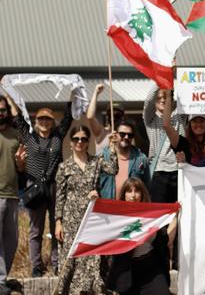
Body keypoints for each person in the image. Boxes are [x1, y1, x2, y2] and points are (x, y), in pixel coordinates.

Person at [6, 94, 74, 277]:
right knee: (36, 229)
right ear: (36, 121)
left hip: (55, 186)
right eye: (41, 118)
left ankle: (57, 263)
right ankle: (36, 266)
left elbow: (69, 117)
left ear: (52, 122)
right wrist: (8, 96)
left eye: (48, 119)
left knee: (57, 227)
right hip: (34, 186)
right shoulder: (29, 137)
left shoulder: (58, 136)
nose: (44, 122)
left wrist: (72, 97)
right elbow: (17, 118)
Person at [54, 126, 117, 294]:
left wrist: (111, 148)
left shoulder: (96, 162)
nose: (80, 142)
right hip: (70, 219)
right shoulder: (64, 167)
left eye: (83, 139)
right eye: (76, 139)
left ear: (88, 141)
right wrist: (58, 222)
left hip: (92, 217)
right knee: (71, 258)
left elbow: (113, 169)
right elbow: (60, 197)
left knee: (92, 258)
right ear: (71, 142)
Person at [105, 178, 173, 295]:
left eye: (136, 191)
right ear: (124, 195)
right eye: (129, 191)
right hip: (127, 273)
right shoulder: (116, 217)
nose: (133, 195)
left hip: (151, 267)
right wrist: (93, 201)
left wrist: (175, 213)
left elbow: (164, 240)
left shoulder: (152, 215)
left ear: (142, 194)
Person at [143, 86, 186, 203]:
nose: (163, 100)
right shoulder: (150, 119)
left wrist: (175, 80)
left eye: (167, 97)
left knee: (180, 211)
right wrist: (160, 79)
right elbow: (147, 101)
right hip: (158, 172)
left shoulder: (180, 117)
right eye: (159, 97)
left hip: (180, 170)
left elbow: (188, 97)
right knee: (160, 212)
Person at [161, 90, 205, 166]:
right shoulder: (183, 144)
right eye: (195, 121)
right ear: (189, 124)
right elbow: (166, 125)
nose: (198, 124)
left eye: (201, 121)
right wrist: (168, 96)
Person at [0, 96, 21, 294]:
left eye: (3, 109)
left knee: (11, 240)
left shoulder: (16, 135)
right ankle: (0, 281)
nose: (0, 112)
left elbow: (22, 167)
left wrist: (20, 161)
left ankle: (2, 279)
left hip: (13, 195)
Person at [99, 121, 149, 200]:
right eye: (122, 134)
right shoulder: (103, 156)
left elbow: (147, 189)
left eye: (130, 135)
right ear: (115, 134)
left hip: (131, 208)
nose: (126, 137)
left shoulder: (141, 159)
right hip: (107, 208)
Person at [87, 83, 125, 153]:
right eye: (111, 114)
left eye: (117, 114)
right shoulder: (101, 132)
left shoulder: (126, 135)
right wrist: (96, 93)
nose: (113, 117)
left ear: (122, 117)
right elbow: (90, 116)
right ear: (107, 116)